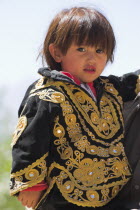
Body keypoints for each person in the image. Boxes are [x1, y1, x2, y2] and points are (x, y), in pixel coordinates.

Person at [10, 6, 140, 210]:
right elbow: (30, 138)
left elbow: (132, 82)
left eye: (100, 50)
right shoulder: (47, 94)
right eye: (82, 49)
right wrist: (31, 184)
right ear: (57, 52)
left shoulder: (109, 89)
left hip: (111, 196)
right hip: (63, 196)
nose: (92, 59)